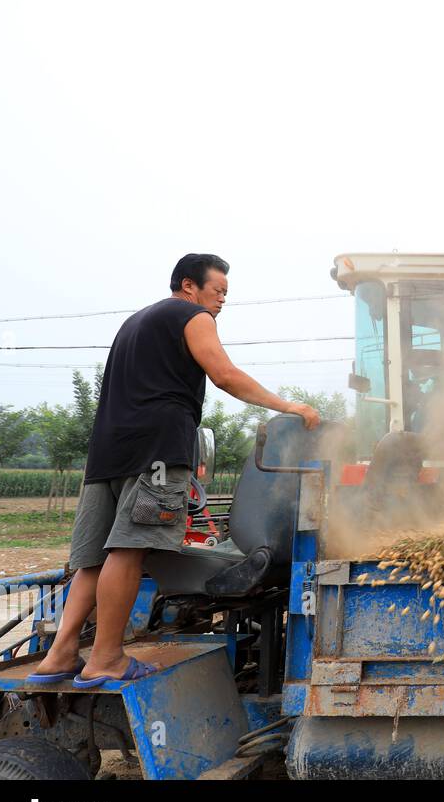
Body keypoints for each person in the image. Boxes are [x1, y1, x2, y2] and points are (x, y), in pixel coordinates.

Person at [28, 254, 320, 687]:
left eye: (225, 294)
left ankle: (61, 653)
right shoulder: (193, 315)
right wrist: (289, 406)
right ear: (189, 286)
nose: (221, 300)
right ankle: (106, 657)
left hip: (108, 453)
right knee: (130, 548)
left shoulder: (134, 323)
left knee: (91, 560)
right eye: (217, 290)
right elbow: (223, 375)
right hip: (157, 452)